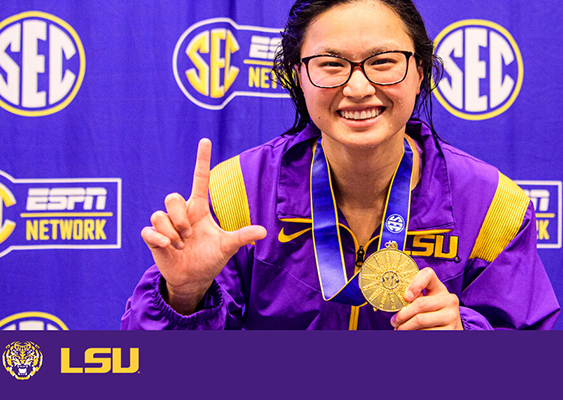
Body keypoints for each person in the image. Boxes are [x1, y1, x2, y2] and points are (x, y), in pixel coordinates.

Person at [121, 0, 560, 330]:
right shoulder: (237, 193)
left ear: (421, 70)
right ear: (297, 75)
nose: (358, 87)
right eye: (331, 64)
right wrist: (183, 294)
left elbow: (532, 369)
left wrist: (464, 339)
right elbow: (159, 371)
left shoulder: (490, 205)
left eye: (383, 62)